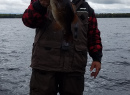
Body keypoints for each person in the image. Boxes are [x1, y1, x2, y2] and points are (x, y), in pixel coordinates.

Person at [22, 0, 103, 95]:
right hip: (44, 67)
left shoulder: (85, 7)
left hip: (74, 67)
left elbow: (93, 35)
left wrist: (97, 58)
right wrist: (40, 5)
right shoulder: (43, 2)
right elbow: (28, 21)